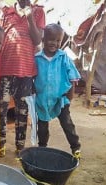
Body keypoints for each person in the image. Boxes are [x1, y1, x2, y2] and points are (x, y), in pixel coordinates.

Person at [0, 0, 46, 157]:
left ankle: (20, 147)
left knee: (22, 111)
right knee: (1, 109)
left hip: (25, 71)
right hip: (4, 69)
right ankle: (0, 144)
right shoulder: (6, 12)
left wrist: (29, 16)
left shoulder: (38, 12)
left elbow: (38, 40)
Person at [34, 23, 81, 158]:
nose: (54, 43)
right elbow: (32, 77)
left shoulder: (63, 57)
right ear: (43, 39)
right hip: (42, 99)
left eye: (58, 40)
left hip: (61, 98)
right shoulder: (37, 58)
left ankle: (75, 146)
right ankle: (42, 146)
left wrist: (70, 94)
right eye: (50, 39)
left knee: (67, 123)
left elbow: (73, 76)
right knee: (42, 126)